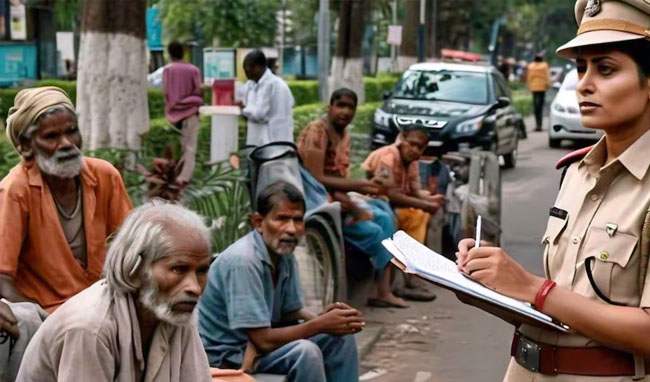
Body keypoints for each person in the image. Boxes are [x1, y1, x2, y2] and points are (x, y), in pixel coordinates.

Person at [456, 0, 650, 380]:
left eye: (606, 69)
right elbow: (567, 297)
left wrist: (534, 288)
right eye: (581, 68)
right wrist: (493, 282)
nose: (584, 84)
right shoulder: (577, 171)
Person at [0, 86, 133, 381]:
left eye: (71, 132)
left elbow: (133, 251)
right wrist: (58, 320)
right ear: (26, 146)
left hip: (104, 309)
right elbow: (3, 278)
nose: (66, 144)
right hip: (43, 316)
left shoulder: (105, 176)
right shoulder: (16, 189)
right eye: (51, 137)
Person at [15, 202, 213, 382]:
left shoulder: (175, 312)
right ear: (135, 269)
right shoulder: (90, 328)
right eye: (179, 269)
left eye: (202, 271)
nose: (195, 287)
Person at [198, 181, 362, 382]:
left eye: (298, 220)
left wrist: (331, 319)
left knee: (342, 338)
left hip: (257, 345)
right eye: (282, 219)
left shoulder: (283, 253)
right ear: (259, 222)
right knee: (305, 352)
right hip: (232, 356)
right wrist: (320, 324)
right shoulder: (244, 261)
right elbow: (263, 340)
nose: (291, 229)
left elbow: (290, 311)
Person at [297, 88, 407, 309]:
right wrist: (361, 189)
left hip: (338, 195)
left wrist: (365, 190)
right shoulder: (317, 132)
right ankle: (378, 290)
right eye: (341, 105)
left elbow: (339, 176)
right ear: (330, 107)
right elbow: (315, 180)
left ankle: (383, 290)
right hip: (317, 203)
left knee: (384, 214)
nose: (345, 112)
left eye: (350, 107)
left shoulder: (343, 133)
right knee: (374, 230)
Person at [362, 125, 445, 301]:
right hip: (378, 203)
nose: (415, 150)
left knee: (420, 213)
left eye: (420, 147)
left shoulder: (412, 162)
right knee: (416, 215)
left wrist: (430, 200)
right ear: (402, 139)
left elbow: (415, 190)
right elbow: (390, 193)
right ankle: (410, 276)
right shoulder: (388, 156)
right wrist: (424, 204)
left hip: (395, 204)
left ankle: (412, 274)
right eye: (412, 144)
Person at [163, 41, 203, 186]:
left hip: (173, 115)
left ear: (170, 54)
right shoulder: (193, 70)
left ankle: (175, 176)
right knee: (190, 147)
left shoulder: (167, 70)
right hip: (191, 112)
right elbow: (198, 90)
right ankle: (184, 178)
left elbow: (166, 92)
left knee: (179, 146)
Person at [236, 50, 295, 146]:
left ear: (258, 67)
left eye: (247, 67)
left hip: (274, 142)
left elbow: (259, 114)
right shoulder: (252, 84)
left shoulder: (272, 85)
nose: (245, 71)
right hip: (262, 143)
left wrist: (243, 109)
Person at [527, 51, 550, 131]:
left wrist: (529, 86)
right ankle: (539, 124)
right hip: (542, 88)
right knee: (540, 106)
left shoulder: (530, 66)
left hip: (534, 88)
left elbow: (529, 77)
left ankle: (537, 124)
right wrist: (548, 85)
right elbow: (547, 76)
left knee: (536, 107)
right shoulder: (544, 65)